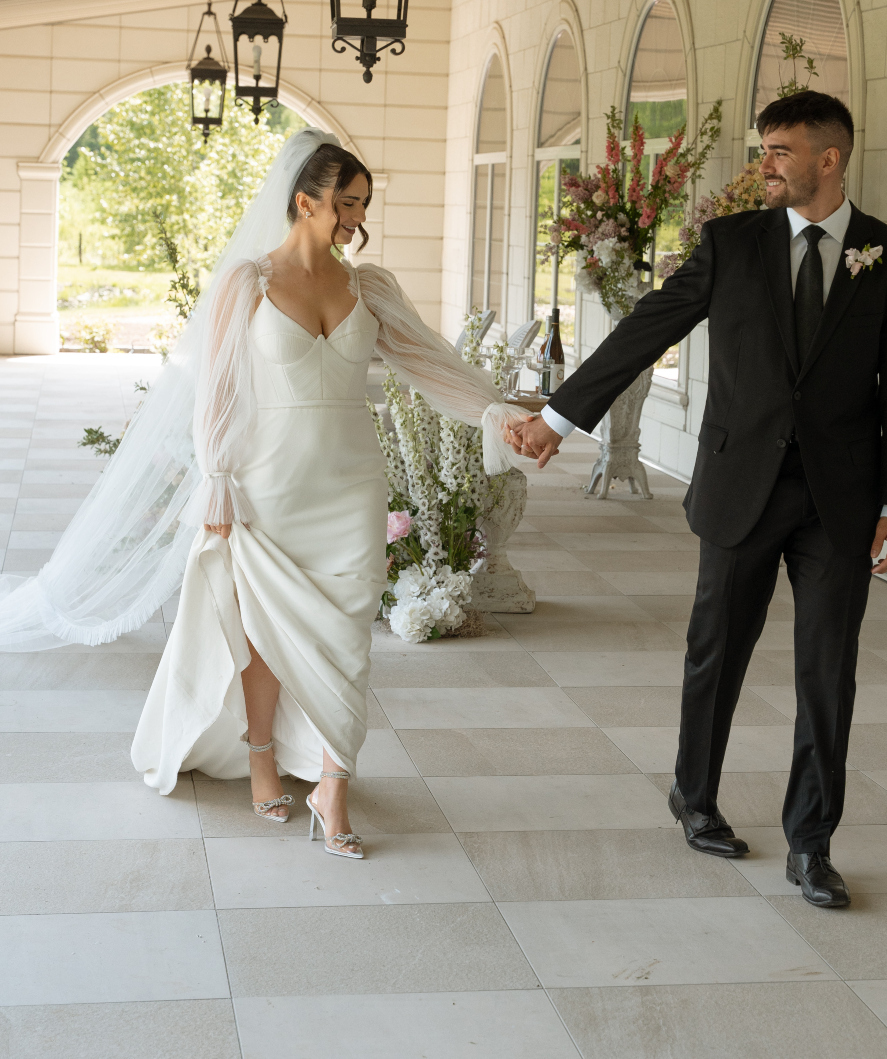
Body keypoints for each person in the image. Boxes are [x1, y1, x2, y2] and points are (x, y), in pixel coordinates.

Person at [0, 128, 524, 859]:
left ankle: (333, 785)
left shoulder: (368, 286)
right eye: (343, 202)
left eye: (362, 204)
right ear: (303, 200)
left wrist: (499, 411)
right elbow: (211, 388)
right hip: (266, 482)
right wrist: (215, 477)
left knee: (348, 637)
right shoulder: (247, 283)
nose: (353, 217)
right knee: (262, 634)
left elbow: (429, 362)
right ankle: (259, 757)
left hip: (348, 483)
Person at [508, 90, 887, 909]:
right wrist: (560, 417)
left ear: (828, 158)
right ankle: (693, 795)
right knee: (716, 652)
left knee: (826, 674)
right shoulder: (728, 243)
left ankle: (811, 842)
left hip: (839, 503)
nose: (763, 163)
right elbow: (647, 326)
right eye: (762, 148)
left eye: (778, 149)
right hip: (740, 487)